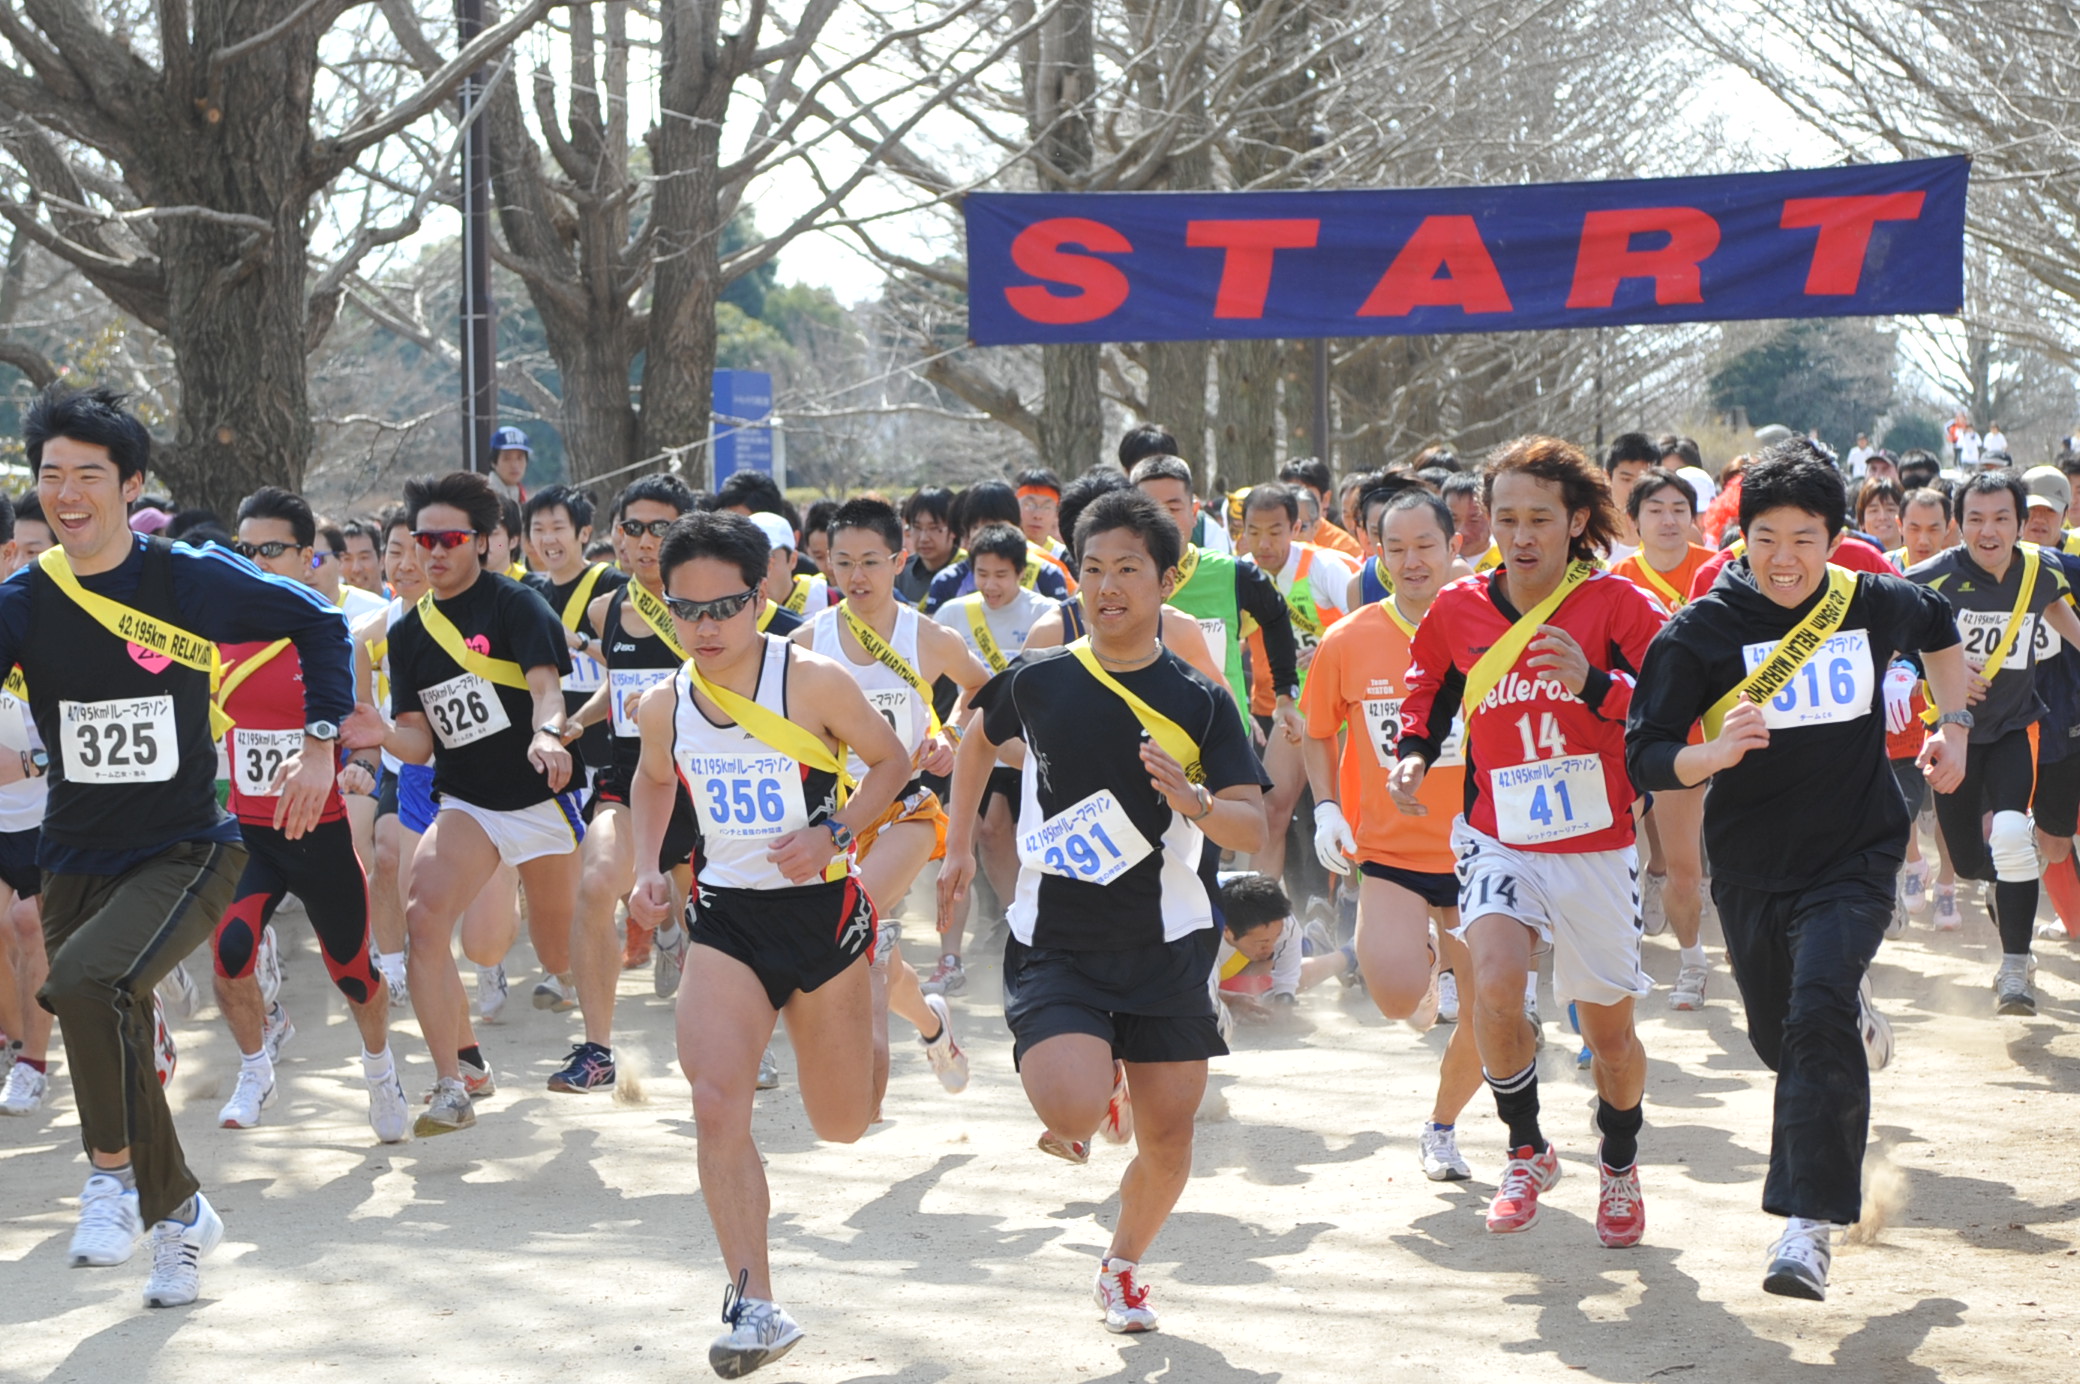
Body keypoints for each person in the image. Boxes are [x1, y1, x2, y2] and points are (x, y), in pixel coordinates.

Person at [1, 385, 353, 1307]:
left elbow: (318, 621)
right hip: (74, 850)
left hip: (191, 844)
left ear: (130, 484)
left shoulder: (186, 576)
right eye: (50, 477)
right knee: (104, 1020)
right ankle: (181, 1216)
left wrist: (321, 743)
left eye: (88, 475)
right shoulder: (26, 599)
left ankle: (112, 1179)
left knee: (82, 983)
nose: (67, 493)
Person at [1626, 442, 1968, 1299]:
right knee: (1783, 1040)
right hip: (1749, 864)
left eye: (1806, 539)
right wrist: (1712, 752)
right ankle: (1843, 1013)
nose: (1786, 559)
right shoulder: (1702, 630)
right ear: (1739, 539)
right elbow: (1647, 755)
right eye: (1767, 538)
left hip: (1856, 852)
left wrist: (1953, 723)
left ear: (1834, 538)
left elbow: (1942, 631)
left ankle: (1807, 1228)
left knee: (1813, 1014)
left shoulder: (1872, 599)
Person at [937, 487, 1269, 1334]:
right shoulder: (1042, 680)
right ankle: (1096, 1085)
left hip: (1166, 944)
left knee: (1169, 1139)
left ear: (1167, 581)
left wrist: (1193, 800)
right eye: (1092, 569)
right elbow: (977, 737)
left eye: (1129, 569)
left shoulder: (1200, 698)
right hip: (1059, 942)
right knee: (1070, 1110)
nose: (1108, 586)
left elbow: (1251, 820)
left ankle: (1122, 1266)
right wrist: (954, 846)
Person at [623, 510, 910, 1377]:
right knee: (716, 1100)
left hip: (822, 918)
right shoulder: (665, 700)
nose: (706, 627)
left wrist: (834, 830)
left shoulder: (813, 681)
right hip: (728, 921)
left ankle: (880, 990)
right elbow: (653, 776)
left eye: (726, 607)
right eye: (687, 609)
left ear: (764, 597)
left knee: (844, 1125)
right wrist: (645, 867)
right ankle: (754, 1303)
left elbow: (893, 764)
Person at [1391, 435, 1667, 1245]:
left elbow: (1668, 703)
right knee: (1498, 986)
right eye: (1504, 517)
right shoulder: (1459, 607)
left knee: (1608, 1035)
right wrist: (1413, 750)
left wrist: (1594, 683)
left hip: (1598, 841)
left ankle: (1618, 1163)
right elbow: (1429, 689)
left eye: (1539, 518)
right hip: (1497, 835)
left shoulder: (1618, 605)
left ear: (1576, 520)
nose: (1520, 535)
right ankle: (1525, 1147)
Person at [342, 470, 583, 1135]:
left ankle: (587, 1021)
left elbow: (546, 690)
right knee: (424, 919)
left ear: (482, 542)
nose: (433, 553)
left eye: (449, 539)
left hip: (542, 792)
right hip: (468, 802)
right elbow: (418, 742)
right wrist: (381, 735)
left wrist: (546, 734)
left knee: (558, 946)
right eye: (423, 540)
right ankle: (454, 1082)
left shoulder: (517, 606)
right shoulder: (410, 635)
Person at [209, 487, 406, 1140]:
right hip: (250, 834)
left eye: (272, 549)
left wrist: (361, 767)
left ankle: (380, 1069)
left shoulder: (331, 637)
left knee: (353, 975)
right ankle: (255, 1065)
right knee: (230, 953)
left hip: (319, 836)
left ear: (306, 558)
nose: (257, 561)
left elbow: (362, 729)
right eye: (246, 549)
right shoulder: (214, 635)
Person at [1303, 488, 1486, 1180]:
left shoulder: (1491, 630)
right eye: (1396, 548)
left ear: (1453, 547)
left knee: (1490, 1012)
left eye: (1425, 547)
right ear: (1377, 554)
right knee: (1393, 998)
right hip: (1391, 850)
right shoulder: (1348, 639)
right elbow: (1319, 731)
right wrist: (1327, 808)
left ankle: (1442, 1128)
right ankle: (1425, 960)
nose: (1412, 562)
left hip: (1482, 849)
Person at [797, 498, 988, 1106]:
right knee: (870, 941)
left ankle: (862, 1088)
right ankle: (931, 1023)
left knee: (852, 918)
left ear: (898, 561)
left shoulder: (927, 637)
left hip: (905, 807)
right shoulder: (807, 641)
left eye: (871, 562)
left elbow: (984, 690)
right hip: (832, 816)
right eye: (843, 562)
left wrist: (952, 736)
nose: (857, 577)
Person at [1905, 470, 2080, 1013]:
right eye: (1976, 519)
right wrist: (1935, 672)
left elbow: (2053, 608)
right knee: (1971, 859)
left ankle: (2014, 971)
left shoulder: (2041, 569)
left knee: (2009, 833)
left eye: (2002, 518)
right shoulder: (1929, 577)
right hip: (1954, 736)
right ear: (1959, 525)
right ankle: (2000, 888)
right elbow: (1896, 644)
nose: (1989, 530)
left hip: (2014, 729)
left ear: (2020, 523)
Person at [552, 474, 701, 1092]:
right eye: (633, 528)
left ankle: (738, 1043)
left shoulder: (706, 608)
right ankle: (596, 1051)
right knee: (594, 882)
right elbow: (619, 685)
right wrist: (570, 721)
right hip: (626, 779)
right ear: (616, 535)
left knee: (708, 919)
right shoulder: (605, 608)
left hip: (700, 786)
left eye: (660, 528)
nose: (644, 542)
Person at [1608, 470, 1716, 1007]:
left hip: (1713, 732)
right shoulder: (1614, 580)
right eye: (1655, 509)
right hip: (1645, 735)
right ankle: (1681, 962)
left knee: (1690, 864)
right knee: (1648, 860)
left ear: (1694, 518)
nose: (1669, 519)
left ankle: (1699, 959)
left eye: (1679, 508)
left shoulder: (1718, 571)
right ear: (1633, 522)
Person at [928, 522, 1052, 993]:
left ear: (1021, 573)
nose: (992, 585)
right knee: (971, 837)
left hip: (1030, 746)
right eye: (982, 573)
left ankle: (1024, 930)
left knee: (1007, 837)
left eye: (1002, 574)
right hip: (973, 742)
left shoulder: (1045, 615)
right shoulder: (952, 615)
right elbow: (936, 686)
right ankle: (953, 956)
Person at [1128, 456, 1299, 739]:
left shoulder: (1232, 573)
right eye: (1148, 509)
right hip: (1143, 744)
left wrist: (1285, 694)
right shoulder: (1113, 581)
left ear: (1194, 511)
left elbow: (1276, 616)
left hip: (1223, 741)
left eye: (1173, 508)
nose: (1160, 520)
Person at [1239, 482, 1355, 882]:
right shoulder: (1240, 573)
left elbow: (1369, 618)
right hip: (1289, 707)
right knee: (1271, 809)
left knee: (1345, 811)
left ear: (1297, 528)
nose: (1263, 542)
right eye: (1253, 531)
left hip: (1340, 707)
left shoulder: (1324, 567)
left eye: (1274, 531)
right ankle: (1263, 911)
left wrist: (1326, 644)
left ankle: (1348, 909)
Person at [522, 484, 627, 819]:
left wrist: (578, 642)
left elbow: (630, 662)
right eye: (538, 530)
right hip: (554, 754)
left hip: (607, 752)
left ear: (583, 533)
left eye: (557, 528)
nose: (547, 540)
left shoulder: (612, 585)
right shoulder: (531, 593)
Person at [1277, 457, 1363, 560]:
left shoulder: (1344, 548)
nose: (1296, 504)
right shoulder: (1266, 541)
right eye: (1289, 496)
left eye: (1305, 496)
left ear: (1325, 499)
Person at [1601, 433, 1660, 561]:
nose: (1635, 489)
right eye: (1626, 479)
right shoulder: (1588, 535)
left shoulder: (1678, 532)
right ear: (1607, 477)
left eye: (1644, 479)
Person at [897, 487, 958, 604]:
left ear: (954, 528)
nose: (924, 538)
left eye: (934, 528)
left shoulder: (968, 574)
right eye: (917, 527)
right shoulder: (900, 573)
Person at [1854, 478, 1906, 554]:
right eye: (1874, 511)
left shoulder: (1916, 559)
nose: (1882, 517)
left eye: (1890, 510)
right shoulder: (1852, 560)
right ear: (1862, 521)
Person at [339, 517, 386, 596]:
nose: (356, 569)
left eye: (364, 557)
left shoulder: (400, 601)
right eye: (347, 559)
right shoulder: (331, 606)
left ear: (381, 560)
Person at [489, 425, 532, 504]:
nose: (514, 465)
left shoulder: (523, 498)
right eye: (507, 458)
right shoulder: (485, 496)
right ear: (493, 462)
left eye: (519, 458)